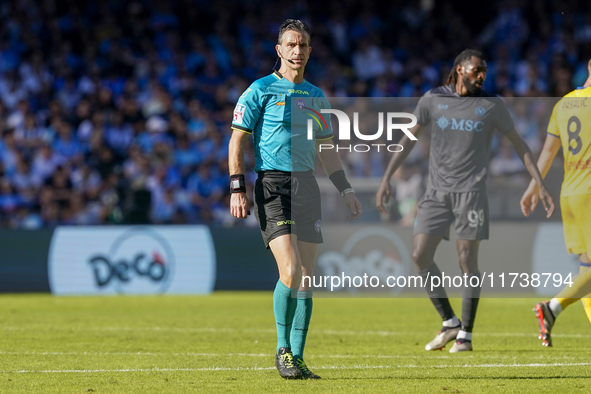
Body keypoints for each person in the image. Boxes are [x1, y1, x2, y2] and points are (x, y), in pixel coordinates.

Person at [376, 49, 555, 353]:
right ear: (459, 70)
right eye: (476, 70)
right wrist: (386, 177)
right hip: (435, 192)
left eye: (484, 70)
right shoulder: (433, 99)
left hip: (471, 193)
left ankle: (466, 335)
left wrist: (539, 182)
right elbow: (408, 138)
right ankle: (449, 322)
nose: (481, 75)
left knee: (466, 261)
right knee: (420, 255)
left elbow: (520, 144)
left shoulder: (491, 105)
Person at [228, 19, 362, 379]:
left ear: (309, 51)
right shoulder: (260, 90)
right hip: (272, 185)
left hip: (307, 186)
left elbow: (326, 149)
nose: (297, 51)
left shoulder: (316, 96)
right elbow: (237, 139)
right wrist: (237, 187)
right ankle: (282, 350)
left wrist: (346, 189)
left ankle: (299, 358)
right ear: (279, 50)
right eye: (291, 45)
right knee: (288, 271)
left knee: (306, 276)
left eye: (302, 45)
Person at [522, 59, 591, 347]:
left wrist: (533, 186)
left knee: (587, 270)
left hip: (570, 193)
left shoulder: (563, 104)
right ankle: (552, 308)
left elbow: (548, 152)